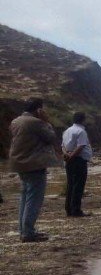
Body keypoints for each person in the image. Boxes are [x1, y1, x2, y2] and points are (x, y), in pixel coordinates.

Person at [9, 98, 61, 242]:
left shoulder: (16, 121)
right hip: (33, 164)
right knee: (34, 199)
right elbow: (51, 137)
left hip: (19, 163)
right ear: (39, 109)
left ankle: (23, 230)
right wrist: (46, 121)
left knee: (25, 197)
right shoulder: (36, 122)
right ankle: (28, 232)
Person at [62, 111, 93, 217]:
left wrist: (66, 155)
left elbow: (62, 146)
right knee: (78, 185)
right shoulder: (81, 131)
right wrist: (72, 156)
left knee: (70, 184)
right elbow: (80, 147)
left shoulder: (67, 131)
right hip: (78, 160)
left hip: (69, 159)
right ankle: (76, 210)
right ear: (83, 120)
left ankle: (69, 209)